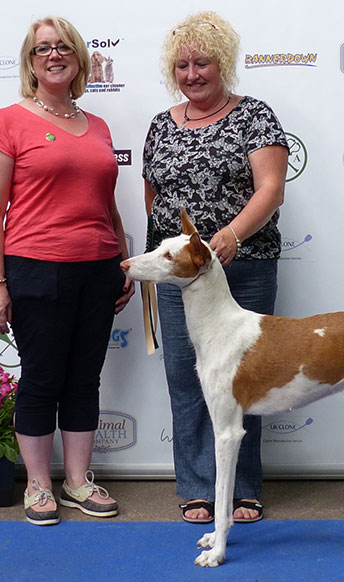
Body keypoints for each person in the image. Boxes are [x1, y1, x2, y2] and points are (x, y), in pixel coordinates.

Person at [143, 11, 289, 524]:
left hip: (243, 265)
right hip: (180, 278)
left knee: (242, 380)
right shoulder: (161, 124)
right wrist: (168, 259)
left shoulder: (255, 115)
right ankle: (198, 487)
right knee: (187, 379)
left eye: (201, 62)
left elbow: (271, 188)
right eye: (182, 65)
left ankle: (243, 488)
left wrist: (230, 235)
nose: (191, 73)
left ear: (221, 62)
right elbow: (154, 198)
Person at [0, 16, 134, 525]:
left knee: (84, 379)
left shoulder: (96, 125)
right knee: (41, 378)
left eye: (62, 48)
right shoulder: (9, 120)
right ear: (30, 62)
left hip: (98, 267)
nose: (53, 56)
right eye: (42, 50)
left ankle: (78, 481)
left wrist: (121, 257)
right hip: (34, 267)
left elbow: (108, 203)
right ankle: (38, 485)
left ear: (78, 57)